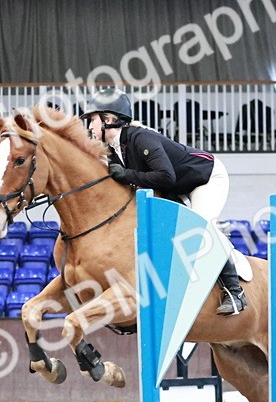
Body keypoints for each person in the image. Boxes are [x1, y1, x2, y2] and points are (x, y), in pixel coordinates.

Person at [81, 87, 246, 316]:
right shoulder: (114, 148)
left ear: (109, 119)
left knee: (200, 227)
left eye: (92, 120)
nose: (89, 126)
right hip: (175, 186)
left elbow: (166, 176)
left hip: (205, 178)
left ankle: (234, 292)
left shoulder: (141, 138)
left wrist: (126, 175)